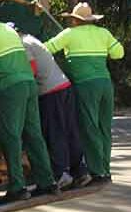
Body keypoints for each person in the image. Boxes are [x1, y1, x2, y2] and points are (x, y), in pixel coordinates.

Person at [0, 0, 58, 202]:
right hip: (29, 84)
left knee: (11, 136)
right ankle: (48, 182)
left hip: (11, 88)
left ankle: (18, 187)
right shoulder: (10, 31)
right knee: (34, 133)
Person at [44, 2, 124, 184]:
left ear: (74, 20)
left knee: (90, 128)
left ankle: (97, 172)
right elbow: (119, 53)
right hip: (105, 84)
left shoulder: (69, 34)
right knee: (105, 128)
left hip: (85, 86)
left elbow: (46, 48)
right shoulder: (103, 33)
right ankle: (106, 169)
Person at [18, 28, 92, 189]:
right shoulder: (32, 39)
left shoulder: (22, 44)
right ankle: (80, 171)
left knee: (54, 132)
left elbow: (31, 69)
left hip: (50, 92)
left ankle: (61, 174)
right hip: (64, 86)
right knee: (70, 130)